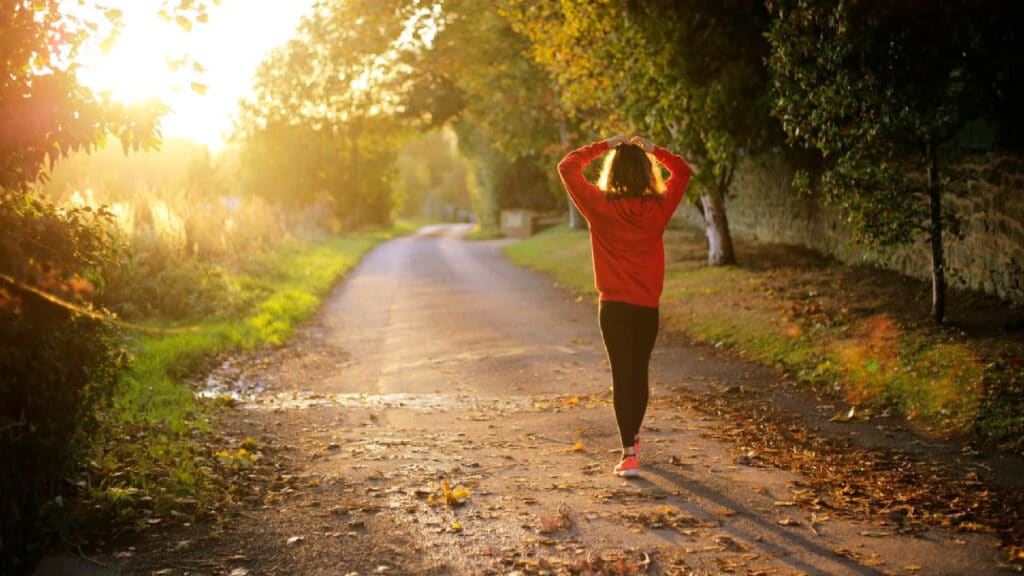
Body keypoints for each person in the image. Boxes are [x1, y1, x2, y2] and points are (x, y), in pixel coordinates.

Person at [557, 134, 692, 477]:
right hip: (646, 306)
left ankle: (629, 452)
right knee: (638, 372)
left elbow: (567, 166)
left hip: (613, 307)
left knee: (622, 375)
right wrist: (654, 150)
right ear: (647, 173)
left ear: (612, 172)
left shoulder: (598, 205)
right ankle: (632, 438)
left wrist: (604, 145)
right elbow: (683, 171)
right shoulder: (659, 207)